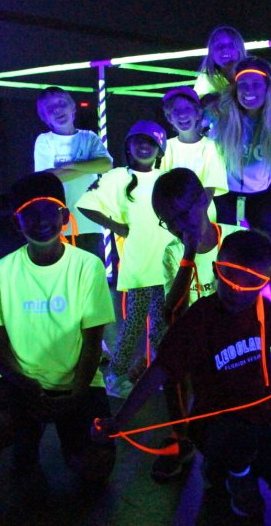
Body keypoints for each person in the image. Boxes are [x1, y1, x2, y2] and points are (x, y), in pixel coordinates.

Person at [94, 230, 271, 518]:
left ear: (264, 283)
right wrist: (121, 420)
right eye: (229, 277)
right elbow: (160, 371)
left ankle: (235, 466)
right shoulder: (199, 319)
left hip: (263, 420)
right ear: (217, 269)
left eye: (252, 284)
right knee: (238, 451)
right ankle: (231, 472)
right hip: (214, 423)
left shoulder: (261, 309)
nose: (237, 290)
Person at [0, 172, 116, 484]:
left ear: (64, 216)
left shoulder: (88, 267)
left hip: (77, 383)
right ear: (16, 222)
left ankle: (56, 437)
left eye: (50, 210)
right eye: (29, 212)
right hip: (23, 385)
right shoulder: (2, 272)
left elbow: (91, 344)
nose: (41, 220)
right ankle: (25, 434)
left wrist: (75, 394)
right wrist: (24, 384)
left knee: (95, 465)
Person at [144, 167, 246, 481]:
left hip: (234, 339)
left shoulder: (234, 238)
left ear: (203, 200)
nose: (177, 226)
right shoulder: (174, 252)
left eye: (182, 214)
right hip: (197, 339)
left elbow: (248, 301)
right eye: (168, 220)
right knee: (170, 355)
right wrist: (189, 252)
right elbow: (172, 311)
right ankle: (182, 438)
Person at [76, 121, 174, 398]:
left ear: (159, 149)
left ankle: (158, 372)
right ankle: (117, 375)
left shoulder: (166, 178)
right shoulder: (117, 176)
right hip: (138, 267)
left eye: (150, 142)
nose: (144, 147)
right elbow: (85, 204)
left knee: (160, 326)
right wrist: (115, 226)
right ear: (128, 147)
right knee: (133, 324)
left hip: (165, 266)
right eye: (138, 141)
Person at [208, 56, 271, 333]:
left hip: (261, 198)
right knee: (224, 263)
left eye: (256, 84)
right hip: (225, 196)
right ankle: (225, 330)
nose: (249, 90)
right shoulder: (222, 118)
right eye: (243, 85)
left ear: (267, 88)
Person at [33, 86, 113, 258]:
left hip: (92, 222)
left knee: (91, 275)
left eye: (62, 103)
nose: (57, 110)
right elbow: (47, 178)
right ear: (44, 117)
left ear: (73, 107)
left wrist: (68, 165)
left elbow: (106, 164)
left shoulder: (89, 137)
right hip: (59, 224)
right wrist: (88, 166)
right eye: (50, 108)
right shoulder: (44, 141)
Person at [160, 86, 228, 222]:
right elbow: (162, 185)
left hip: (204, 215)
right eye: (176, 110)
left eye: (187, 109)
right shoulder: (166, 147)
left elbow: (210, 187)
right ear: (169, 118)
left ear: (198, 114)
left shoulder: (211, 147)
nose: (182, 114)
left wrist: (197, 214)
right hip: (174, 215)